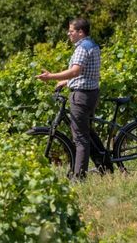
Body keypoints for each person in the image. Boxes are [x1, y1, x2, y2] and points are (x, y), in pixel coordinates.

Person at [36, 18, 102, 179]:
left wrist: (50, 76)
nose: (68, 34)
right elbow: (85, 73)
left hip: (81, 96)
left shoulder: (81, 48)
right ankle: (105, 165)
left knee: (80, 138)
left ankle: (79, 177)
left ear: (80, 32)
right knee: (88, 133)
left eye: (71, 31)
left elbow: (76, 71)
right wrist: (65, 82)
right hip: (91, 93)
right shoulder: (92, 45)